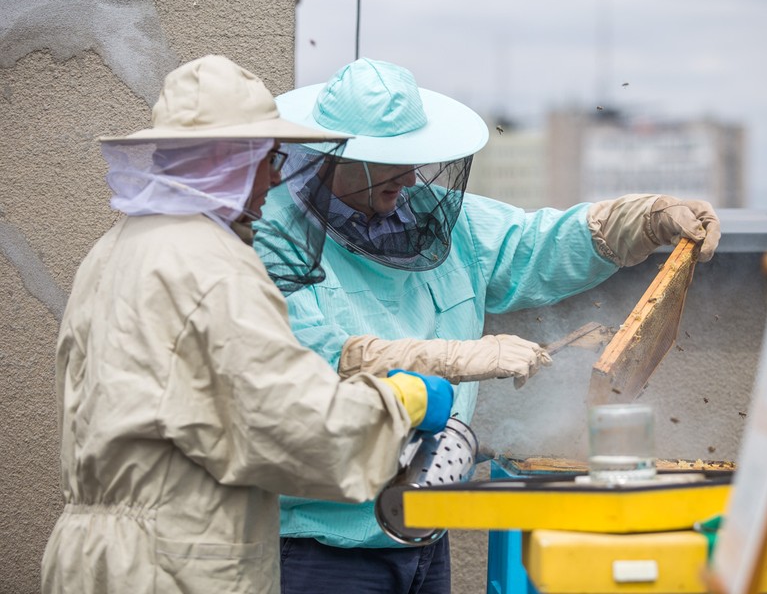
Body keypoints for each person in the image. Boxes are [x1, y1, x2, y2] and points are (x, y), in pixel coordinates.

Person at [256, 58, 721, 594]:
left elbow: (532, 245)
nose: (409, 178)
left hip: (425, 527)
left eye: (414, 158)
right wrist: (456, 358)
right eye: (390, 163)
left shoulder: (435, 218)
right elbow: (311, 359)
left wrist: (642, 218)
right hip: (323, 544)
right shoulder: (276, 241)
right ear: (341, 157)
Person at [40, 55, 454, 594]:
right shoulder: (211, 263)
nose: (278, 176)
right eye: (269, 157)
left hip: (93, 557)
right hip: (173, 563)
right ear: (225, 159)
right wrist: (401, 402)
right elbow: (292, 427)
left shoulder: (116, 247)